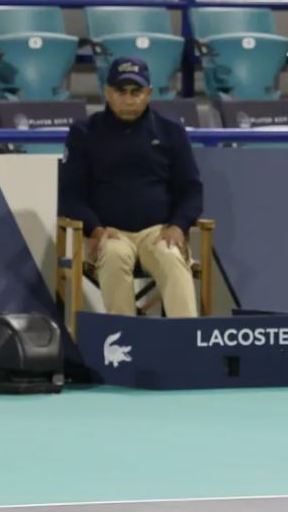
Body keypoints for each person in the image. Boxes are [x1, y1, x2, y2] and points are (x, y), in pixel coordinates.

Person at [58, 56, 203, 319]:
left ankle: (187, 342)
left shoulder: (171, 132)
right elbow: (70, 195)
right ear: (107, 92)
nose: (128, 99)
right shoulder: (84, 133)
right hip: (110, 232)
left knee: (171, 256)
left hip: (158, 232)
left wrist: (178, 226)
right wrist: (95, 228)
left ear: (148, 93)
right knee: (113, 256)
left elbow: (191, 190)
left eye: (136, 92)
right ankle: (124, 341)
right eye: (120, 92)